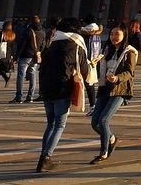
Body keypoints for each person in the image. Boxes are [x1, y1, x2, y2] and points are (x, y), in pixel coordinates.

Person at [35, 18, 91, 174]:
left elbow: (42, 69)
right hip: (61, 89)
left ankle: (43, 157)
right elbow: (85, 70)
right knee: (59, 124)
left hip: (46, 89)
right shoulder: (75, 45)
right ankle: (46, 158)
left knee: (50, 124)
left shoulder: (51, 45)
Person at [88, 26, 137, 164]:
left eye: (117, 34)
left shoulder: (129, 52)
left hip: (120, 89)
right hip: (105, 87)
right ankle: (112, 138)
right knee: (94, 123)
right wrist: (95, 64)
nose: (114, 36)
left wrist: (117, 78)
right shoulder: (107, 50)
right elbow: (103, 70)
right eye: (112, 34)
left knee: (103, 120)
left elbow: (130, 72)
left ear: (124, 35)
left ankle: (103, 152)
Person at [11, 15, 44, 104]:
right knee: (33, 75)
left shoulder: (28, 31)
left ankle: (19, 96)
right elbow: (43, 45)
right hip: (35, 56)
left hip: (25, 55)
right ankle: (30, 97)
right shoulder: (42, 32)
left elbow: (22, 45)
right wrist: (39, 52)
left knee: (21, 75)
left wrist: (16, 57)